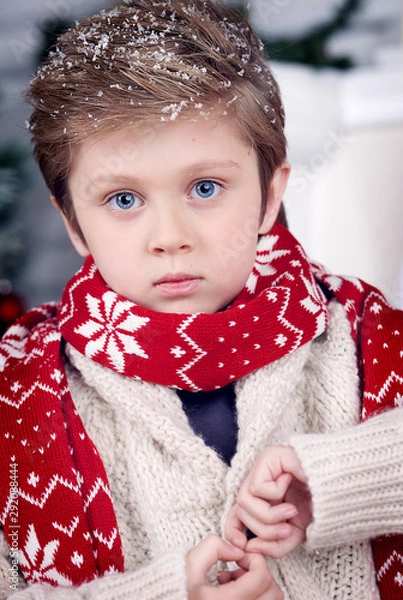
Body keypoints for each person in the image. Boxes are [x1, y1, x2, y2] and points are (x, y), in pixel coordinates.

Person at [0, 1, 402, 598]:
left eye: (206, 187)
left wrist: (341, 480)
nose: (170, 237)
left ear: (269, 195)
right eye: (123, 200)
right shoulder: (17, 393)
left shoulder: (364, 337)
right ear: (73, 224)